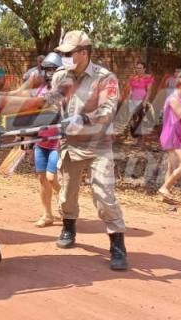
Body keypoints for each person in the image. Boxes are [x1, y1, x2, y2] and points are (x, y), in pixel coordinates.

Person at [50, 30, 128, 271]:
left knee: (104, 194)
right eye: (62, 54)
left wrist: (82, 119)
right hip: (69, 144)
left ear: (83, 53)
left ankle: (117, 245)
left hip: (97, 145)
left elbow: (107, 111)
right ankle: (69, 227)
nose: (64, 57)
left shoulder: (105, 78)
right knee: (67, 192)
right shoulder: (60, 75)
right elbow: (53, 104)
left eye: (69, 53)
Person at [32, 53, 62, 227]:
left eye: (53, 69)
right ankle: (47, 214)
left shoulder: (63, 91)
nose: (50, 73)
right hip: (41, 140)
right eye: (47, 69)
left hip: (57, 140)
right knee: (42, 178)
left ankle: (64, 200)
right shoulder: (40, 90)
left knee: (51, 178)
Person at [157, 76, 181, 201]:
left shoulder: (180, 99)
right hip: (172, 135)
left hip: (177, 135)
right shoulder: (173, 99)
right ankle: (164, 188)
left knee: (171, 167)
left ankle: (165, 196)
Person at [125, 62, 155, 145]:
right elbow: (131, 91)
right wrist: (127, 100)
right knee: (134, 120)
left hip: (142, 101)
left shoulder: (148, 78)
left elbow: (149, 91)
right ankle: (135, 138)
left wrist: (145, 102)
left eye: (141, 68)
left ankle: (142, 140)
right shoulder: (133, 78)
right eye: (137, 68)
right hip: (133, 102)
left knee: (142, 120)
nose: (139, 70)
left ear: (144, 69)